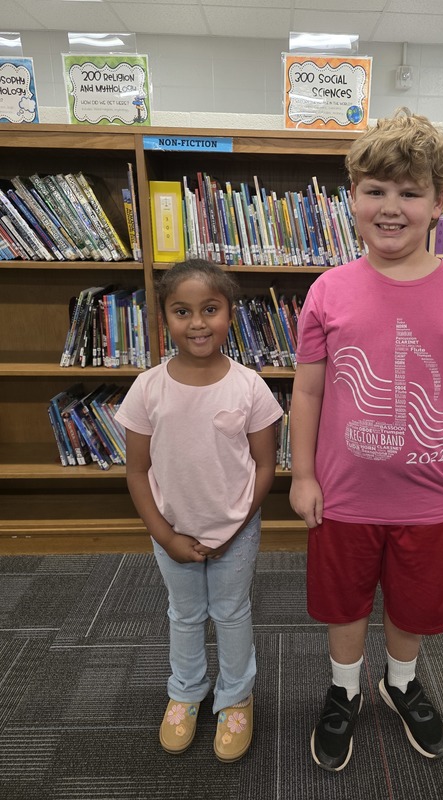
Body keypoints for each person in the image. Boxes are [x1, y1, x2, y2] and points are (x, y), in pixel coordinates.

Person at [289, 108, 443, 772]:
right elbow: (307, 392)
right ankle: (343, 691)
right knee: (343, 602)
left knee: (414, 604)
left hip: (432, 499)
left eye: (410, 192)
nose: (390, 207)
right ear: (352, 198)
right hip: (344, 496)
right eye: (375, 190)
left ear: (440, 203)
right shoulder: (328, 291)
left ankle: (400, 681)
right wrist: (302, 476)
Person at [115, 259, 283, 761]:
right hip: (172, 529)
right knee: (185, 615)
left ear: (230, 314)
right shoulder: (148, 387)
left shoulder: (249, 386)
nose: (197, 323)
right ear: (164, 317)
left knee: (230, 612)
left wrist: (234, 528)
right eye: (181, 311)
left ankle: (236, 697)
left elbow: (265, 468)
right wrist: (165, 535)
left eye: (210, 309)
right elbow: (136, 471)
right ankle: (186, 691)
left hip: (236, 531)